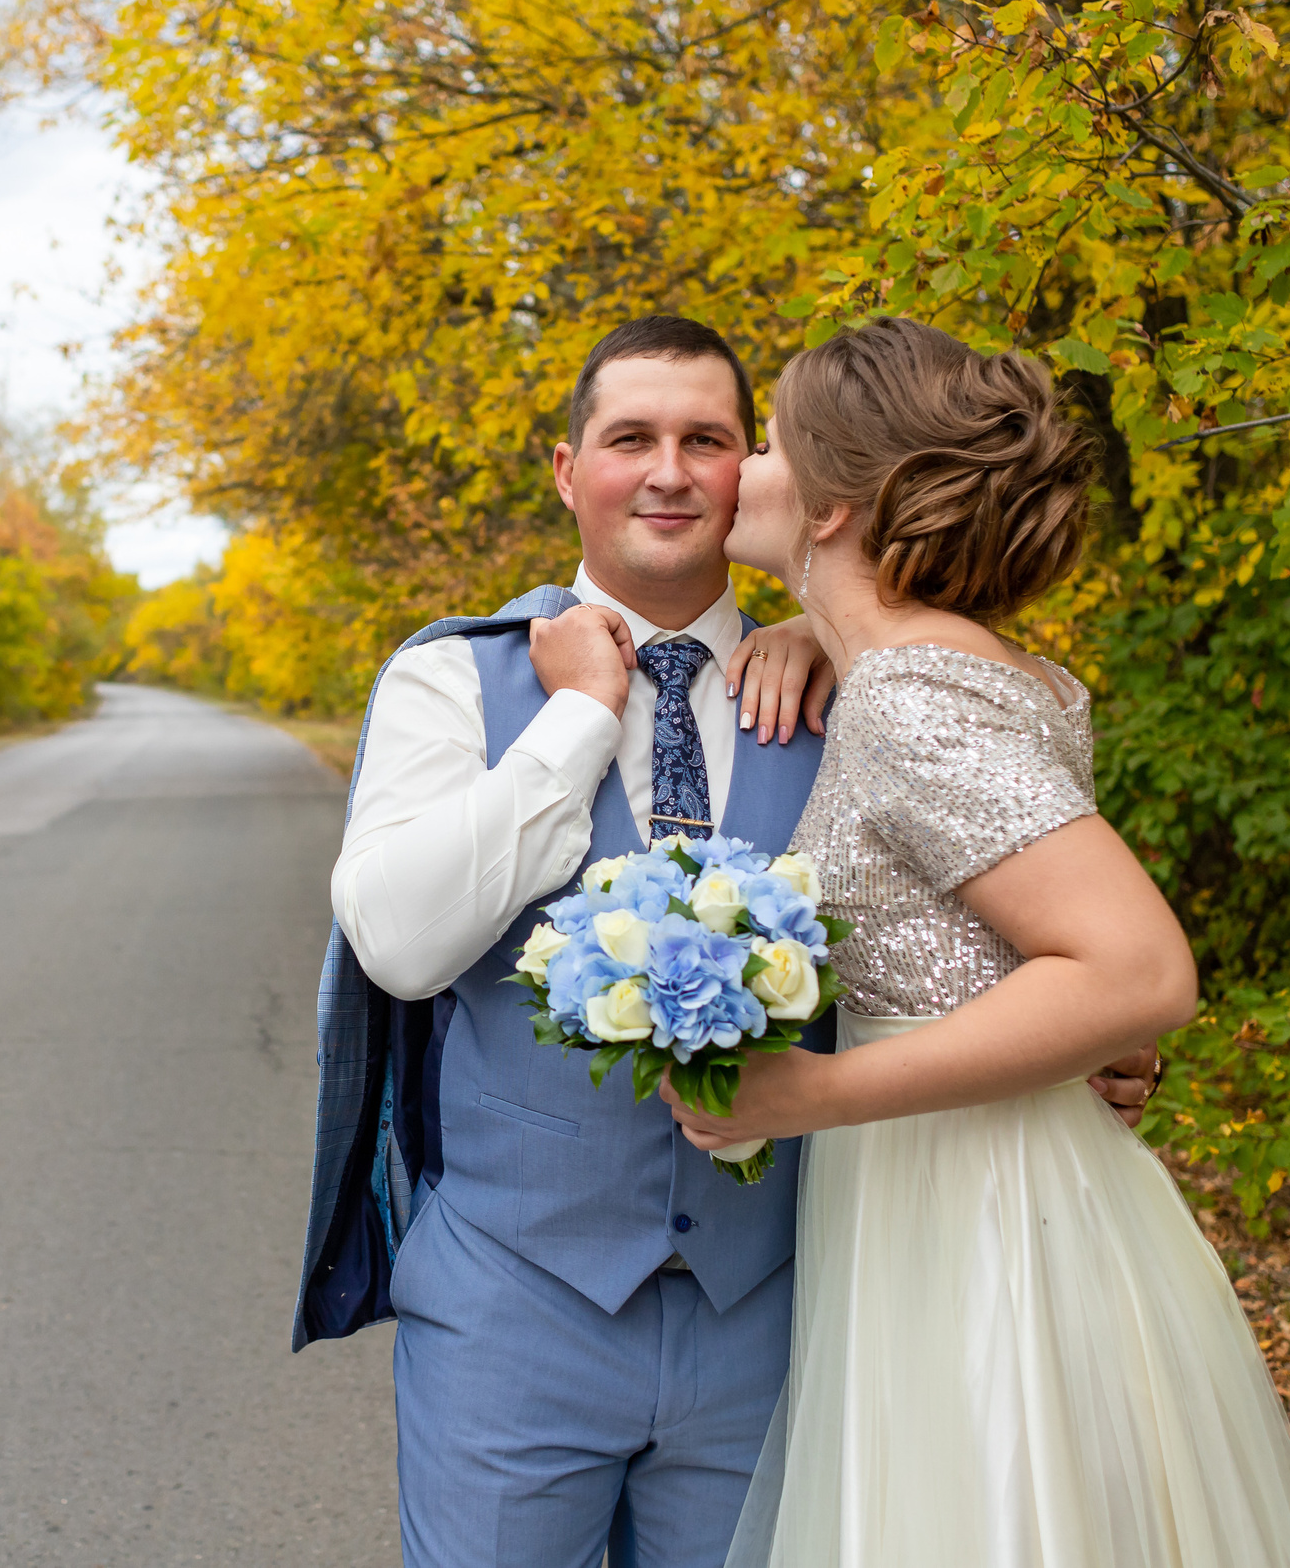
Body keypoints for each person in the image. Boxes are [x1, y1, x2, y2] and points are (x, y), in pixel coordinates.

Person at [294, 314, 1164, 1568]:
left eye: (707, 440)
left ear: (762, 472)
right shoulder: (451, 683)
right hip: (511, 1313)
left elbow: (1038, 941)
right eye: (628, 438)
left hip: (787, 1314)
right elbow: (398, 945)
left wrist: (1102, 1051)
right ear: (565, 470)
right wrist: (575, 724)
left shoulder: (855, 687)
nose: (667, 471)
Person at [663, 317, 1290, 1567]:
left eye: (763, 444)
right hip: (964, 1187)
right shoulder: (937, 673)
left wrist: (814, 1090)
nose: (741, 470)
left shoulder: (914, 695)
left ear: (827, 506)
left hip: (980, 1219)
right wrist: (815, 627)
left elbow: (1135, 969)